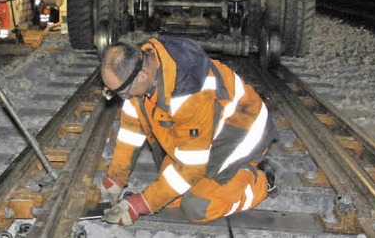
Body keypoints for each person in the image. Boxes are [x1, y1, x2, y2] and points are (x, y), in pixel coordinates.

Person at [98, 37, 277, 225]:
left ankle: (263, 179)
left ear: (142, 75)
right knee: (170, 194)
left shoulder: (189, 93)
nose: (119, 97)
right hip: (205, 133)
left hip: (240, 132)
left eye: (119, 92)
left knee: (197, 206)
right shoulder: (142, 65)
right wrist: (116, 178)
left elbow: (191, 168)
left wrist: (141, 204)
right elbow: (131, 132)